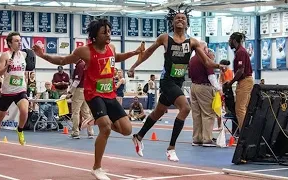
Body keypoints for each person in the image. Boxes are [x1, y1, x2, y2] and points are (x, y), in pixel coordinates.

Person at [32, 18, 142, 180]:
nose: (108, 34)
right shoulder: (85, 51)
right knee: (105, 128)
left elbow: (116, 57)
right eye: (104, 32)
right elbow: (62, 60)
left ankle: (97, 119)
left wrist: (133, 53)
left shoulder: (111, 47)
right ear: (95, 36)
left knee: (127, 130)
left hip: (110, 94)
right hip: (94, 94)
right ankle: (97, 167)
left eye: (109, 31)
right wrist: (42, 55)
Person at [127, 4, 225, 162]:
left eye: (183, 18)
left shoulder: (193, 42)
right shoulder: (165, 38)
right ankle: (171, 148)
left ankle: (138, 136)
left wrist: (218, 65)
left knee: (158, 112)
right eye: (177, 18)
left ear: (187, 23)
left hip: (178, 82)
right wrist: (133, 67)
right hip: (167, 81)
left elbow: (206, 62)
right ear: (172, 22)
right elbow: (147, 53)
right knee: (185, 108)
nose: (180, 20)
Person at [0, 32, 29, 153]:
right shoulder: (5, 55)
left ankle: (20, 130)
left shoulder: (23, 54)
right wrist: (6, 67)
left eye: (20, 40)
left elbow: (24, 72)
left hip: (20, 90)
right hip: (7, 92)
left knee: (24, 111)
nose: (19, 42)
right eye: (16, 41)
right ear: (9, 43)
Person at [225, 32, 254, 130]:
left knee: (240, 109)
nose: (229, 42)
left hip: (245, 81)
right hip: (246, 81)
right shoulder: (240, 51)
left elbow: (240, 70)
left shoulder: (240, 52)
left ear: (233, 40)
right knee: (244, 108)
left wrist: (231, 82)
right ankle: (246, 131)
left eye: (229, 40)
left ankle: (243, 134)